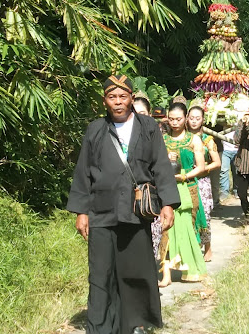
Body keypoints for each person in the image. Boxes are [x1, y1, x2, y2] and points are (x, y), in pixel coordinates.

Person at [66, 74, 180, 334]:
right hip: (100, 211)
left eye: (123, 96)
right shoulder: (95, 129)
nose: (117, 102)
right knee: (100, 273)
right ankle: (100, 327)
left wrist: (168, 204)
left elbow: (161, 166)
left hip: (136, 211)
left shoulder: (148, 126)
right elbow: (83, 171)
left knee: (136, 269)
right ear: (104, 100)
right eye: (112, 97)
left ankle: (135, 323)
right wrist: (81, 212)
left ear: (131, 98)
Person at [158, 103, 207, 287]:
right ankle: (166, 275)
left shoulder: (194, 139)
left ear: (185, 118)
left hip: (188, 188)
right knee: (165, 230)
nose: (175, 122)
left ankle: (191, 268)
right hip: (166, 190)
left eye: (178, 119)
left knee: (188, 228)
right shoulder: (162, 139)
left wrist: (184, 175)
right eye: (171, 119)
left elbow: (201, 167)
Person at [187, 105, 221, 262]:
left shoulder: (208, 140)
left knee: (204, 214)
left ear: (202, 120)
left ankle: (208, 247)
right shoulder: (182, 138)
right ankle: (190, 247)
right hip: (185, 180)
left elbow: (217, 162)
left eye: (197, 118)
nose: (194, 121)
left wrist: (203, 167)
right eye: (191, 118)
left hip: (202, 182)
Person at [219, 130, 238, 203]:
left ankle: (236, 190)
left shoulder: (241, 119)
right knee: (223, 171)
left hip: (237, 150)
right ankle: (224, 192)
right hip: (225, 150)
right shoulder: (222, 120)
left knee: (236, 171)